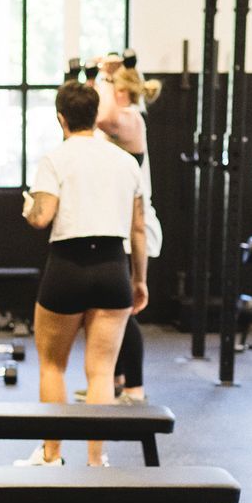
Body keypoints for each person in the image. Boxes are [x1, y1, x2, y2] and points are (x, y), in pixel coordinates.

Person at [18, 80, 149, 467]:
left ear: (61, 117)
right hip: (113, 267)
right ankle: (96, 462)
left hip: (68, 268)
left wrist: (28, 207)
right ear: (96, 116)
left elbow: (41, 217)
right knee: (102, 372)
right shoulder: (125, 160)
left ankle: (51, 455)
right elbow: (139, 228)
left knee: (53, 365)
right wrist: (139, 280)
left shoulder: (56, 158)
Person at [95, 53, 164, 404]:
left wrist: (106, 75)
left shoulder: (131, 119)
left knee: (123, 312)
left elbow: (101, 116)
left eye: (110, 87)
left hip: (133, 228)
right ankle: (116, 380)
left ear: (121, 91)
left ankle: (135, 388)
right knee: (110, 309)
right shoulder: (123, 117)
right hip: (117, 226)